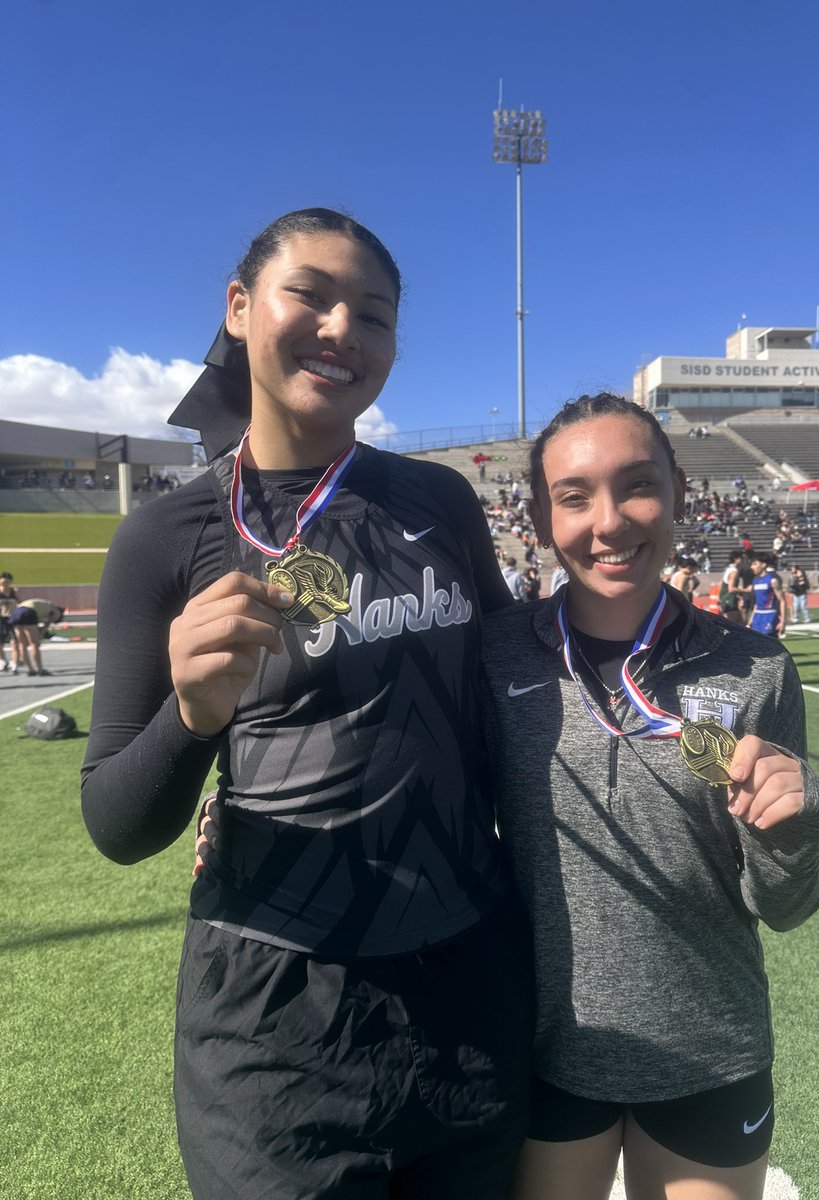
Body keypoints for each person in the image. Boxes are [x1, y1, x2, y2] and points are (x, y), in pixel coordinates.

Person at [81, 208, 533, 1200]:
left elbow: (516, 690)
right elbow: (116, 821)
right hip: (278, 1022)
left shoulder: (440, 503)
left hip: (471, 984)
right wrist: (192, 718)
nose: (342, 330)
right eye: (312, 296)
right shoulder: (164, 536)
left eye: (374, 315)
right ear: (240, 307)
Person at [479, 393, 819, 1200]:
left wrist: (793, 831)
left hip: (709, 1052)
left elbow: (786, 907)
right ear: (542, 516)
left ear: (678, 492)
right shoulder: (495, 656)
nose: (609, 522)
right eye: (574, 496)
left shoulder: (757, 668)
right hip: (544, 1049)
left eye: (637, 485)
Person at [7, 596, 64, 675]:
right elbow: (46, 625)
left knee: (22, 644)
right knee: (34, 644)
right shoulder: (56, 611)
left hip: (16, 613)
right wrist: (40, 635)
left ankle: (30, 669)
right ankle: (39, 669)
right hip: (28, 612)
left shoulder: (44, 606)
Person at [747, 554, 787, 638]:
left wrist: (783, 621)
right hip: (757, 616)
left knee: (769, 641)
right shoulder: (755, 581)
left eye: (755, 564)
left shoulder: (772, 580)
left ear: (763, 565)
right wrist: (751, 619)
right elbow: (757, 603)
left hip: (770, 615)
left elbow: (782, 600)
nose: (752, 567)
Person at [718, 550, 747, 625]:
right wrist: (745, 590)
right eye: (741, 558)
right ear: (735, 559)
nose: (742, 560)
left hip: (725, 598)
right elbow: (731, 589)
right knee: (733, 623)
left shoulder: (728, 569)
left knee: (739, 621)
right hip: (729, 599)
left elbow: (721, 584)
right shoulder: (733, 571)